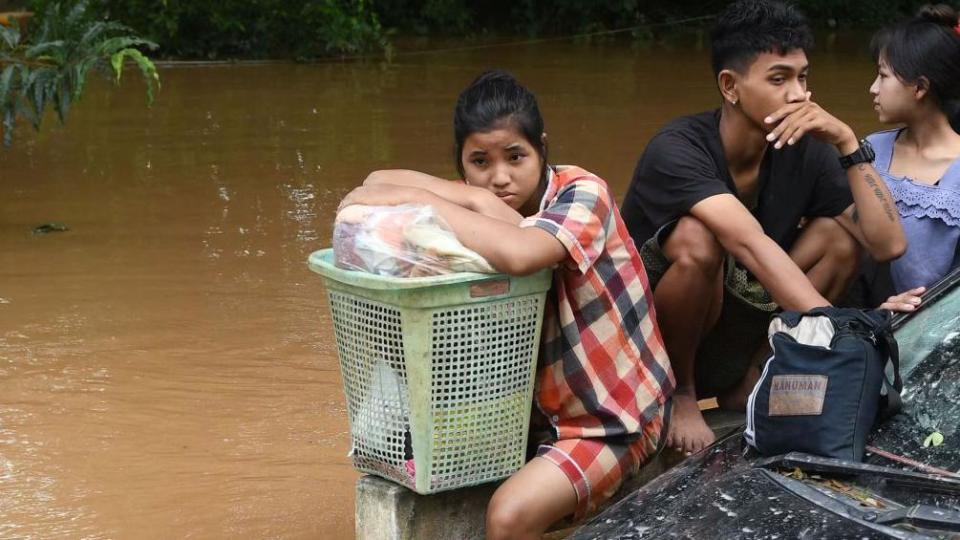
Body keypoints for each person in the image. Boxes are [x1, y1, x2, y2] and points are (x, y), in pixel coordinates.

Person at [339, 71, 675, 539]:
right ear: (461, 163)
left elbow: (521, 252)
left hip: (613, 419)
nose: (500, 178)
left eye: (516, 157)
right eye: (480, 162)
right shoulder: (478, 202)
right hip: (534, 417)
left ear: (541, 148)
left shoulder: (583, 193)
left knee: (507, 518)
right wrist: (471, 197)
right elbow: (374, 182)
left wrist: (435, 202)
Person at [619, 0, 919, 455]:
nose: (799, 94)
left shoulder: (806, 148)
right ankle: (680, 394)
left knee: (839, 240)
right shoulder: (677, 149)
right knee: (697, 239)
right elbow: (749, 242)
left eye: (802, 77)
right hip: (655, 341)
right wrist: (841, 334)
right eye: (779, 79)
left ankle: (758, 377)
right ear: (730, 87)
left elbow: (888, 244)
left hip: (739, 326)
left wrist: (845, 142)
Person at [863, 4, 960, 296]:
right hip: (868, 314)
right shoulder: (872, 149)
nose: (872, 88)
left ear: (919, 88)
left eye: (883, 76)